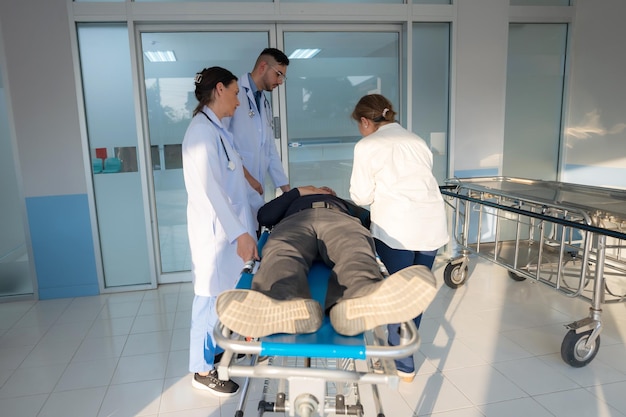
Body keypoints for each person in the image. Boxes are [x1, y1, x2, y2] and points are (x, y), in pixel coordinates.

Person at [215, 186, 437, 339]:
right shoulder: (294, 199)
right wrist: (298, 193)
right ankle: (280, 301)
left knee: (355, 248)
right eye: (315, 187)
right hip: (295, 222)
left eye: (326, 189)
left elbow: (371, 222)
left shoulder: (344, 204)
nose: (322, 189)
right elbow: (265, 216)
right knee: (282, 251)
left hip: (339, 221)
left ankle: (356, 301)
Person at [349, 94, 449, 382]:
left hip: (397, 230)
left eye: (360, 124)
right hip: (430, 226)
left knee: (398, 294)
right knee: (414, 292)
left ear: (366, 121)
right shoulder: (416, 140)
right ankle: (402, 351)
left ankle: (401, 360)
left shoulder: (368, 145)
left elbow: (361, 195)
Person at [183, 66, 259, 397]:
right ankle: (201, 369)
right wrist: (238, 233)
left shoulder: (217, 130)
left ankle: (222, 348)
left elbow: (232, 178)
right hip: (213, 234)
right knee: (207, 298)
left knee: (223, 294)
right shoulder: (201, 133)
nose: (238, 101)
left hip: (225, 231)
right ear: (219, 90)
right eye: (235, 92)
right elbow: (211, 189)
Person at [224, 48, 291, 216]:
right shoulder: (235, 93)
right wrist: (249, 178)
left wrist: (287, 190)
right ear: (263, 67)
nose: (280, 81)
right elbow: (223, 143)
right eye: (278, 74)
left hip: (256, 189)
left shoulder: (264, 103)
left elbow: (269, 149)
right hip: (236, 187)